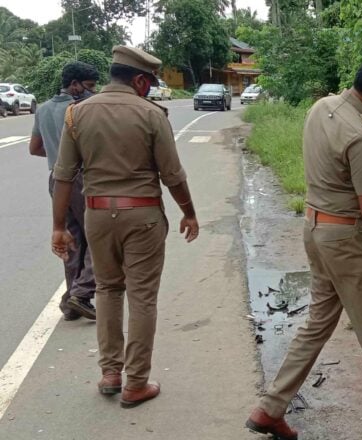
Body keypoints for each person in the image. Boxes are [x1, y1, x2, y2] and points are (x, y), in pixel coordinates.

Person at [245, 45, 362, 440]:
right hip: (347, 241)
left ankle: (270, 408)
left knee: (316, 325)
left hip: (315, 230)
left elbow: (336, 174)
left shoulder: (322, 107)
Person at [51, 46, 199, 408]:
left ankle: (110, 373)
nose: (149, 89)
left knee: (107, 290)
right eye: (148, 82)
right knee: (142, 296)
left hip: (97, 216)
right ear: (138, 80)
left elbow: (63, 176)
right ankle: (136, 383)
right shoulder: (151, 114)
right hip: (142, 216)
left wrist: (58, 227)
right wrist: (189, 212)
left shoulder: (76, 114)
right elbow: (172, 175)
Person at [30, 61, 100, 321]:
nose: (93, 91)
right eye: (90, 86)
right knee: (98, 236)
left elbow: (35, 148)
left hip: (55, 180)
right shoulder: (80, 109)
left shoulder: (44, 109)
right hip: (81, 178)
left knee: (71, 240)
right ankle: (80, 293)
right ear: (74, 85)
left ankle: (72, 303)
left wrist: (58, 156)